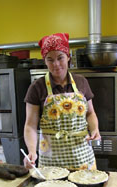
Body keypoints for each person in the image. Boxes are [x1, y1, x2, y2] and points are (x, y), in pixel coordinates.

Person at [24, 33, 101, 171]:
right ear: (45, 61)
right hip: (51, 158)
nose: (56, 64)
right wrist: (31, 151)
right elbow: (30, 125)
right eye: (50, 60)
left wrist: (94, 129)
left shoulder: (81, 82)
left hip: (81, 155)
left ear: (68, 57)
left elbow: (90, 113)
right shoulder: (37, 87)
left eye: (60, 58)